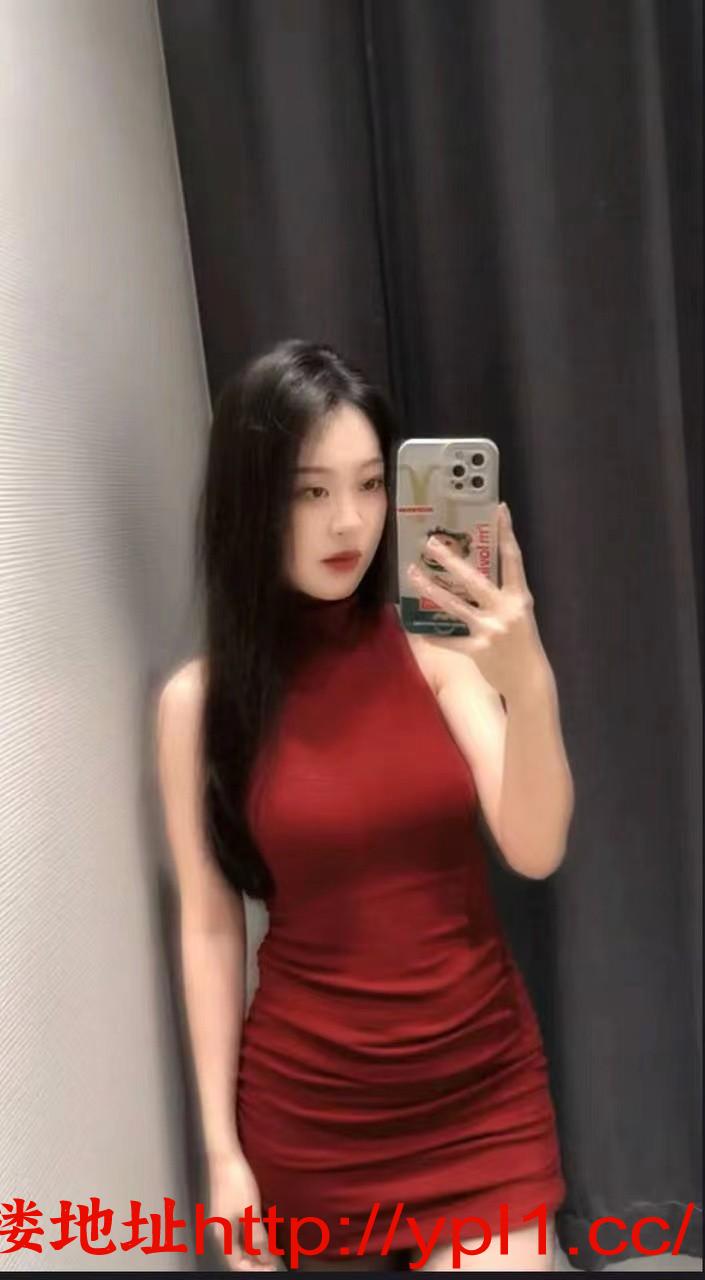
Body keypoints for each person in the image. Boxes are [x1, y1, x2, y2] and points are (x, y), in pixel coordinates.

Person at [155, 339, 575, 1272]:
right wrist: (222, 1156)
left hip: (481, 1100)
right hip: (314, 1120)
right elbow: (210, 928)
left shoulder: (438, 654)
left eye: (369, 484)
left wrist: (529, 683)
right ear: (249, 501)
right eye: (308, 491)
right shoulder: (199, 704)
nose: (348, 520)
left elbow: (535, 847)